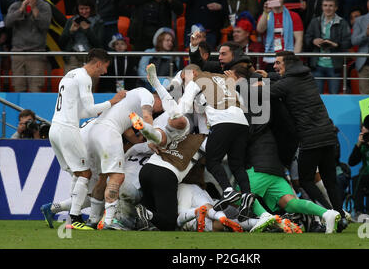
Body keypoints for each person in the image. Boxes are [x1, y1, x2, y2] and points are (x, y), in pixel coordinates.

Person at [227, 63, 343, 234]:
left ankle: (266, 216)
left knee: (235, 196)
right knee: (290, 203)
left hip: (257, 167)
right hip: (276, 168)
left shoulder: (249, 111)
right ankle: (327, 213)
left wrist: (235, 85)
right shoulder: (273, 107)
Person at [144, 62, 256, 221]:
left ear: (191, 74)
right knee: (236, 164)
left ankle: (228, 191)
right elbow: (240, 102)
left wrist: (173, 109)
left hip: (223, 122)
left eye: (184, 79)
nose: (184, 83)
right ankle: (246, 196)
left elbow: (181, 108)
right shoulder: (223, 78)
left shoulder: (196, 81)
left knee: (212, 161)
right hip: (242, 122)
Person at [268, 51, 347, 232]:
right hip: (328, 135)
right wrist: (266, 76)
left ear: (287, 64)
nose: (274, 66)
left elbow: (267, 92)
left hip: (310, 139)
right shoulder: (307, 76)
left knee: (305, 181)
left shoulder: (286, 84)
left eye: (278, 62)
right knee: (330, 180)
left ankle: (328, 213)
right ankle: (340, 216)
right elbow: (281, 78)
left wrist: (244, 84)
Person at [48, 48, 127, 229]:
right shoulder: (84, 78)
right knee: (85, 173)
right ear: (98, 63)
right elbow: (90, 110)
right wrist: (113, 101)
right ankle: (75, 218)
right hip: (68, 130)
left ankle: (70, 218)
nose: (105, 72)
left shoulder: (70, 74)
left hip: (55, 129)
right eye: (105, 67)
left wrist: (104, 110)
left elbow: (81, 112)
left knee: (78, 174)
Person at [87, 87, 161, 227]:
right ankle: (108, 222)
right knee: (117, 177)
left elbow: (127, 130)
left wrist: (138, 141)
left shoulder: (132, 96)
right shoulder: (147, 96)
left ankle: (93, 219)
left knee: (104, 177)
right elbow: (147, 116)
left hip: (95, 131)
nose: (158, 111)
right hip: (109, 132)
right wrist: (151, 139)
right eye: (161, 107)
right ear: (158, 98)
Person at [4, 0, 52, 92]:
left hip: (36, 54)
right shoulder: (15, 6)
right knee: (18, 88)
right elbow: (7, 23)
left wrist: (34, 8)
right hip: (18, 54)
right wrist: (21, 9)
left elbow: (45, 26)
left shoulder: (44, 6)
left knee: (36, 89)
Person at [305, 0, 351, 94]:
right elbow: (307, 38)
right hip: (317, 64)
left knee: (334, 96)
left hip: (334, 66)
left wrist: (335, 44)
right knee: (318, 97)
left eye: (331, 6)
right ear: (322, 7)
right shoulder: (315, 21)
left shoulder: (342, 23)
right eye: (325, 5)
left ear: (336, 8)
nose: (328, 8)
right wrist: (313, 41)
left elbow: (348, 42)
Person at [256, 0, 304, 70]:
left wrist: (293, 59)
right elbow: (260, 30)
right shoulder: (265, 15)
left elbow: (299, 39)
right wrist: (265, 12)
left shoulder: (294, 16)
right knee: (268, 81)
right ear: (269, 0)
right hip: (270, 58)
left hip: (287, 59)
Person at [59, 0, 104, 74]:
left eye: (86, 8)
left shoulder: (98, 22)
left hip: (90, 58)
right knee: (71, 84)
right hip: (72, 57)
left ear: (91, 8)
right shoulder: (70, 21)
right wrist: (70, 31)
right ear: (77, 9)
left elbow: (99, 44)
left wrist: (87, 31)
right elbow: (61, 43)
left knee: (88, 85)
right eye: (81, 9)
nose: (84, 12)